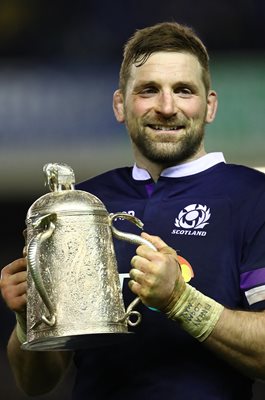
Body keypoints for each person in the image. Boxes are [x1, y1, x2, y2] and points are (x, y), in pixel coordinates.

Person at [1, 21, 265, 400]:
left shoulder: (253, 195)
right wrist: (29, 321)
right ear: (120, 105)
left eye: (184, 91)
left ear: (209, 106)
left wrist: (180, 300)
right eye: (148, 90)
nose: (167, 106)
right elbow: (35, 383)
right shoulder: (82, 204)